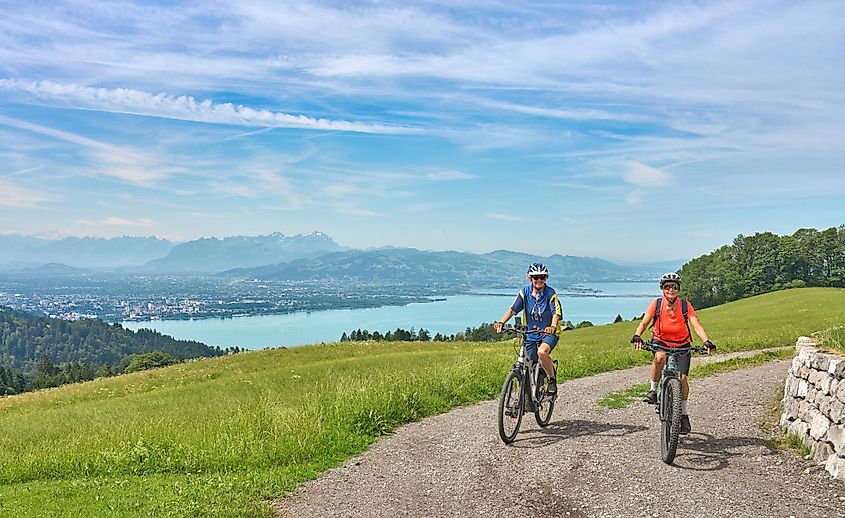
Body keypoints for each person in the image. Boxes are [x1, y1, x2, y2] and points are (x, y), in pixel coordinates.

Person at [631, 272, 716, 434]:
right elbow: (645, 321)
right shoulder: (656, 304)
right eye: (667, 287)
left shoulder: (685, 305)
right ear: (662, 289)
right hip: (661, 341)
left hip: (683, 344)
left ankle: (683, 414)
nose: (671, 289)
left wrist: (706, 340)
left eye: (675, 287)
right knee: (660, 357)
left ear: (678, 289)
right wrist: (637, 335)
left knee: (683, 379)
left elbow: (696, 324)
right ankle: (654, 391)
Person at [493, 263, 562, 396]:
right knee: (530, 361)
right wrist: (501, 322)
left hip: (548, 333)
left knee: (542, 352)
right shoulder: (524, 293)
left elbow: (556, 313)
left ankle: (551, 379)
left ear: (546, 278)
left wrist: (552, 327)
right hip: (531, 333)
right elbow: (513, 309)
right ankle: (528, 393)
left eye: (542, 277)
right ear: (530, 278)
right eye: (536, 277)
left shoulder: (550, 293)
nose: (539, 280)